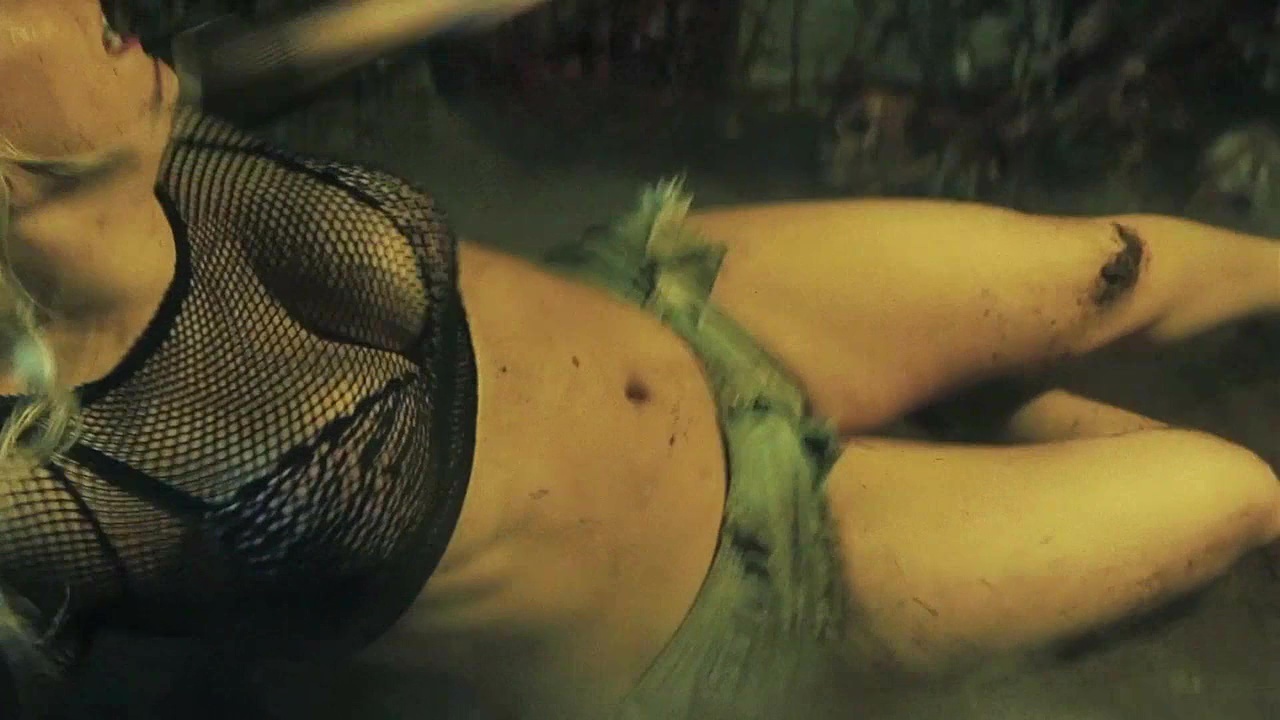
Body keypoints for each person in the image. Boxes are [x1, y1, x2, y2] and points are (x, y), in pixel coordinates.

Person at [0, 1, 1278, 718]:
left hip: (665, 299)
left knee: (1101, 266)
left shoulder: (152, 106)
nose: (82, 3)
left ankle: (959, 402)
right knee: (1231, 489)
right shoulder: (36, 475)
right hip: (735, 583)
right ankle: (954, 419)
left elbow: (273, 55)